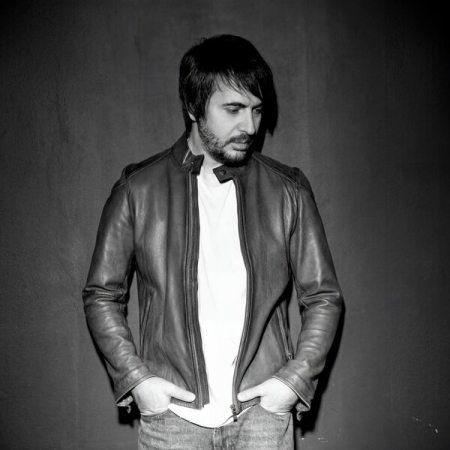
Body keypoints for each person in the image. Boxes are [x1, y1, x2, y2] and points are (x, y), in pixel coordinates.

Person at [83, 34, 343, 450]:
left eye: (257, 110)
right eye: (233, 109)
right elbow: (101, 294)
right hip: (172, 419)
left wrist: (293, 381)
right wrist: (137, 379)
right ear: (193, 106)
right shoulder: (138, 189)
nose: (250, 127)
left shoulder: (288, 190)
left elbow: (323, 297)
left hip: (261, 415)